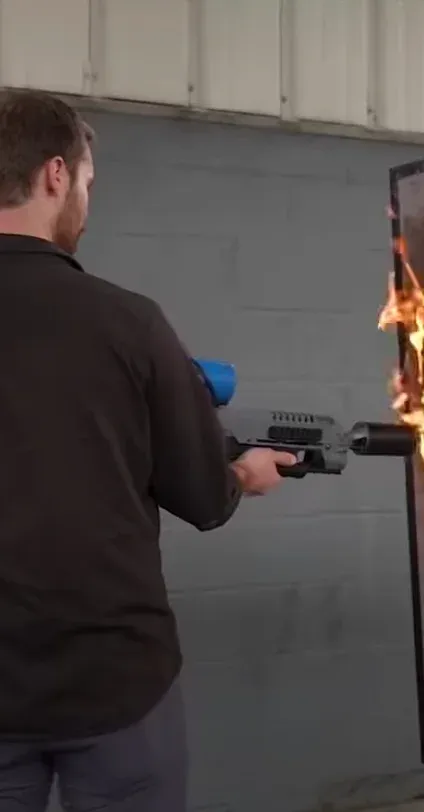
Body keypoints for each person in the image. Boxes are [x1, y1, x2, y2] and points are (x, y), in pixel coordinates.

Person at [0, 88, 297, 811]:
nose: (86, 204)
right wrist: (244, 472)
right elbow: (203, 497)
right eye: (88, 182)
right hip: (113, 684)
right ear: (55, 175)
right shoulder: (128, 324)